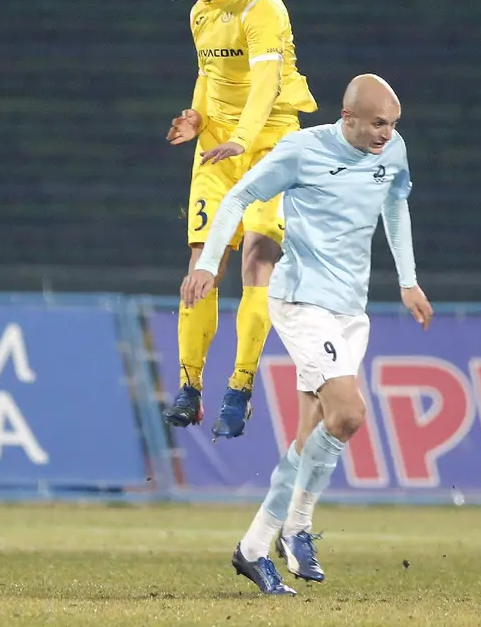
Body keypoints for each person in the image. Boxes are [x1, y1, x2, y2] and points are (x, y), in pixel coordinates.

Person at [181, 74, 433, 594]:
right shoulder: (302, 151)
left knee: (313, 431)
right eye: (378, 123)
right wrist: (207, 263)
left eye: (393, 124)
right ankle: (295, 528)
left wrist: (408, 281)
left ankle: (255, 548)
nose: (387, 133)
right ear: (348, 117)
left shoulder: (393, 150)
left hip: (350, 311)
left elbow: (395, 204)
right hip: (300, 301)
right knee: (349, 414)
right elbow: (238, 196)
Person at [159, 0, 317, 439]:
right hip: (217, 151)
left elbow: (267, 84)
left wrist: (243, 140)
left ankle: (240, 388)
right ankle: (189, 388)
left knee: (257, 259)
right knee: (201, 264)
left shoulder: (261, 5)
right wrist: (197, 118)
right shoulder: (199, 14)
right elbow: (209, 76)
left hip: (270, 148)